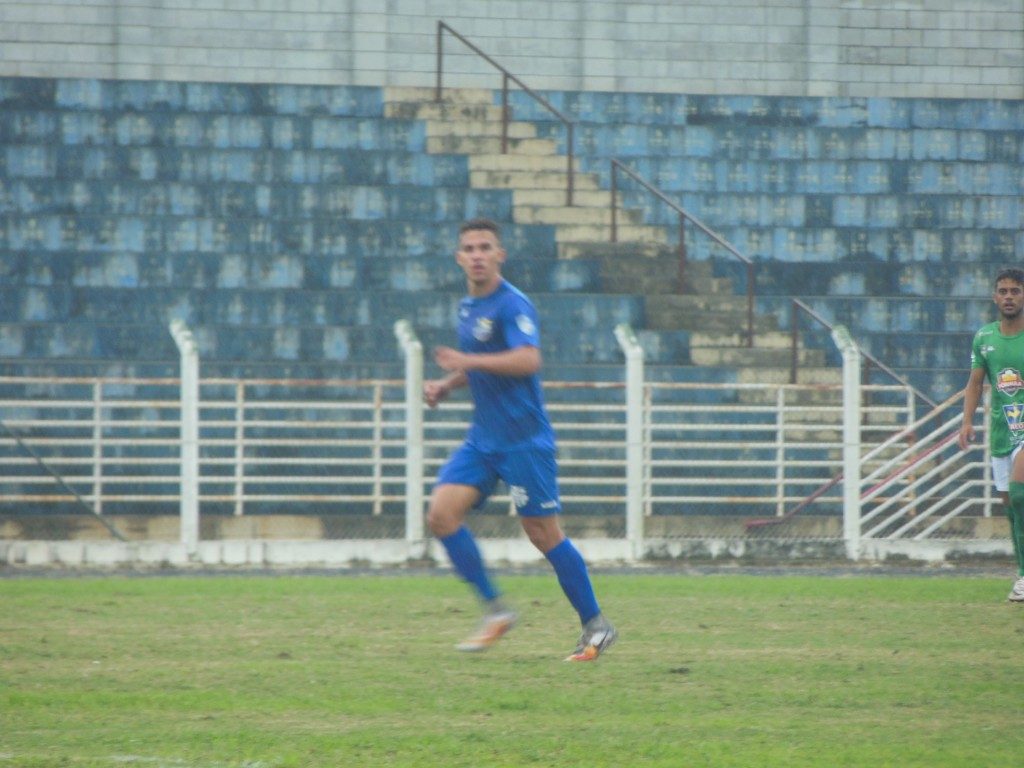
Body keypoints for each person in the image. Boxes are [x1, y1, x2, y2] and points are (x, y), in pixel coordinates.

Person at [423, 217, 617, 661]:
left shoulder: (513, 305)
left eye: (484, 247)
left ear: (499, 255)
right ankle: (495, 611)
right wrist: (446, 385)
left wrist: (468, 360)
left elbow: (528, 360)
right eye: (468, 248)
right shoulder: (467, 307)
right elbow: (480, 363)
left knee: (543, 534)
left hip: (524, 441)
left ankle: (597, 626)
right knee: (441, 515)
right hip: (483, 439)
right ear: (459, 257)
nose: (476, 255)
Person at [958, 266, 1024, 602]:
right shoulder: (985, 337)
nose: (1009, 297)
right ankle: (1022, 571)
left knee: (1019, 492)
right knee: (1011, 507)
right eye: (1004, 291)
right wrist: (967, 422)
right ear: (995, 296)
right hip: (1002, 430)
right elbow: (975, 383)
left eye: (1015, 291)